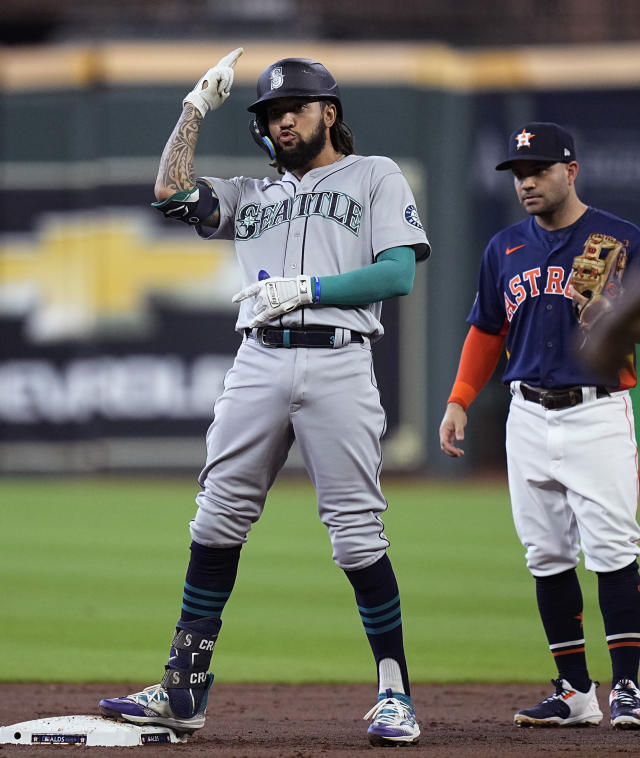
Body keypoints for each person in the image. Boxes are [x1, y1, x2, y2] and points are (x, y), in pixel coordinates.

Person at [98, 49, 430, 747]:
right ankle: (184, 686)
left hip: (339, 362)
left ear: (329, 113)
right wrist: (194, 106)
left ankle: (395, 693)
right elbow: (168, 193)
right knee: (216, 521)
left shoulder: (375, 175)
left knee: (356, 535)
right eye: (272, 113)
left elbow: (398, 273)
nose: (282, 121)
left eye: (295, 109)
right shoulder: (252, 194)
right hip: (259, 361)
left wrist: (308, 289)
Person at [439, 122, 640, 729]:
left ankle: (629, 688)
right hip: (525, 413)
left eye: (540, 169)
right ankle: (576, 693)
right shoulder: (504, 248)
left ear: (571, 171)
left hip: (598, 410)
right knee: (546, 554)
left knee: (614, 549)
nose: (526, 181)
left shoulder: (620, 240)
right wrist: (459, 399)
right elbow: (486, 329)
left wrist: (614, 319)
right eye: (519, 172)